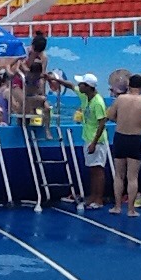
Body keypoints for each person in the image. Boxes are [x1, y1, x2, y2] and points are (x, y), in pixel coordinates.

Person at [53, 72, 108, 209]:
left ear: (88, 86)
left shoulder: (98, 102)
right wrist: (55, 80)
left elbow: (102, 122)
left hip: (97, 140)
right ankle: (92, 196)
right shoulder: (85, 96)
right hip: (88, 138)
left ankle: (99, 199)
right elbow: (71, 85)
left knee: (98, 169)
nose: (79, 85)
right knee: (92, 169)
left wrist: (94, 143)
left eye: (82, 84)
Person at [106, 74, 141, 216]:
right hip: (135, 138)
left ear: (129, 85)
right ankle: (131, 209)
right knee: (132, 177)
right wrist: (140, 123)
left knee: (119, 175)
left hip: (120, 137)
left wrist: (121, 121)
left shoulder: (120, 99)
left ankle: (117, 207)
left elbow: (110, 115)